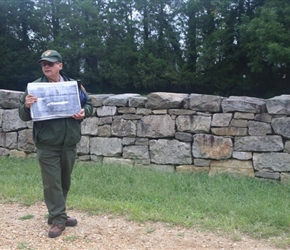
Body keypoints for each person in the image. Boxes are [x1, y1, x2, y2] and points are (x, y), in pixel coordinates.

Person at [18, 50, 94, 238]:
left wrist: (84, 112)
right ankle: (59, 219)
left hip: (69, 142)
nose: (46, 67)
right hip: (47, 144)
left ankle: (57, 213)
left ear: (60, 65)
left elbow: (89, 104)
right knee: (52, 183)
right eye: (43, 64)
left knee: (64, 181)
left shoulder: (75, 85)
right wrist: (27, 105)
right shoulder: (34, 87)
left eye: (50, 63)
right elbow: (23, 115)